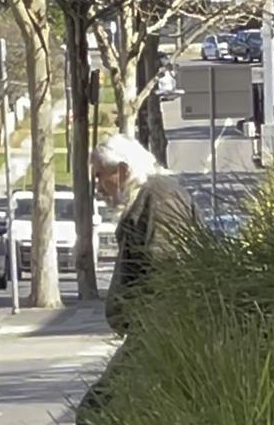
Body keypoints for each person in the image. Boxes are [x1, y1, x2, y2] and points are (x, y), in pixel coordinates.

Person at [76, 134, 198, 424]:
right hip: (153, 334)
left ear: (122, 171)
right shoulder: (150, 198)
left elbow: (168, 271)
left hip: (161, 335)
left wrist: (152, 340)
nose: (98, 187)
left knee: (97, 411)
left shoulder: (160, 198)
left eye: (100, 177)